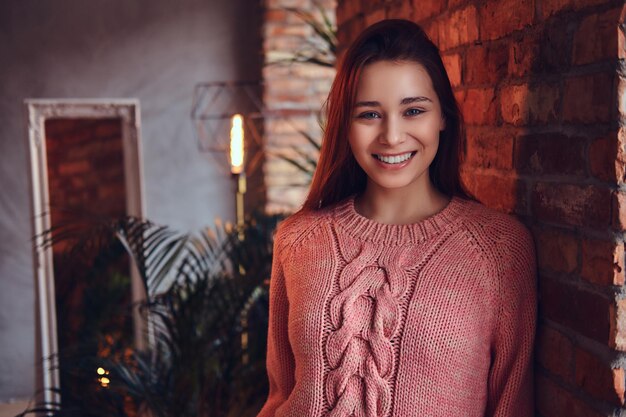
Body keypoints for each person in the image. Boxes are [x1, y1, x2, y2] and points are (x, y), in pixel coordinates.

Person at [257, 19, 537, 417]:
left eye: (413, 110)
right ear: (345, 126)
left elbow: (511, 406)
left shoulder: (498, 250)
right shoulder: (298, 239)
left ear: (443, 116)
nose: (391, 135)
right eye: (369, 114)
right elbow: (279, 396)